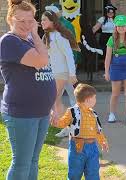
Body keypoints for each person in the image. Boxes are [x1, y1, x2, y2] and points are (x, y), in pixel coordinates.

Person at [0, 0, 56, 179]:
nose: (26, 25)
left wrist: (52, 104)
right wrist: (36, 34)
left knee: (33, 160)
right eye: (20, 20)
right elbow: (42, 61)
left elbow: (45, 70)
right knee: (22, 163)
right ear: (10, 20)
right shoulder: (9, 41)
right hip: (22, 113)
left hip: (41, 112)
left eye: (30, 20)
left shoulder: (30, 41)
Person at [51, 83, 108, 179]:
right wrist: (55, 121)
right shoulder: (72, 111)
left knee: (93, 172)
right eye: (94, 98)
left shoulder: (93, 113)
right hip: (78, 147)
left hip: (92, 148)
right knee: (75, 173)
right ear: (88, 100)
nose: (95, 100)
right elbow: (63, 123)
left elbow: (97, 130)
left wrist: (102, 141)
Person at [45, 3, 79, 138]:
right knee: (71, 98)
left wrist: (72, 72)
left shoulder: (63, 29)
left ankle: (71, 125)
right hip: (59, 72)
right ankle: (72, 125)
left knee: (64, 99)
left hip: (65, 71)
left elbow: (70, 52)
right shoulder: (50, 32)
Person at [104, 15, 126, 126]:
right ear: (116, 27)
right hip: (115, 68)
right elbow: (108, 57)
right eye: (119, 26)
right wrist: (106, 71)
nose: (121, 28)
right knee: (115, 93)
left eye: (123, 26)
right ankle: (112, 114)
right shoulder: (111, 39)